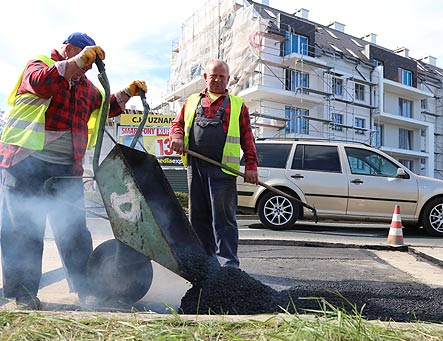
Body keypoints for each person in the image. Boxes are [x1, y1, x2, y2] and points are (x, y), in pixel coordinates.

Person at [0, 32, 147, 310]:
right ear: (68, 49)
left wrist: (128, 92)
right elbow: (42, 84)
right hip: (25, 164)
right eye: (84, 58)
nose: (87, 67)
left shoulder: (84, 85)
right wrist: (76, 63)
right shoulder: (39, 64)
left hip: (65, 171)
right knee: (24, 230)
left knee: (75, 232)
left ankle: (85, 289)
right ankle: (23, 296)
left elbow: (104, 107)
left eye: (90, 63)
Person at [169, 59, 258, 269]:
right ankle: (204, 263)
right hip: (195, 168)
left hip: (223, 171)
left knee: (223, 219)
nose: (217, 80)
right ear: (205, 77)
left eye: (222, 76)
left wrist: (251, 166)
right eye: (213, 76)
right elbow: (177, 125)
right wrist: (177, 137)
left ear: (228, 79)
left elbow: (247, 138)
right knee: (198, 218)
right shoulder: (191, 102)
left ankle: (228, 266)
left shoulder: (237, 106)